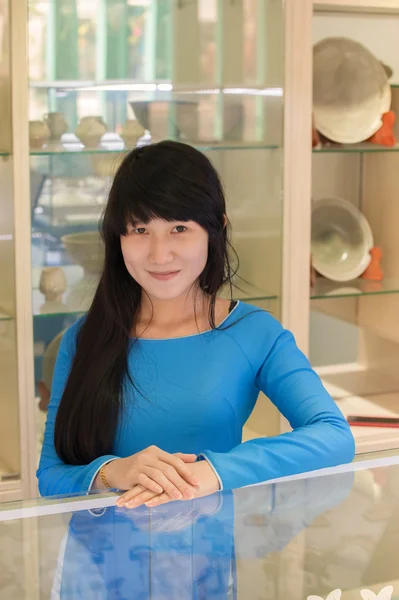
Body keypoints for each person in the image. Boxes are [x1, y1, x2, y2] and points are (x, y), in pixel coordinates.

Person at [37, 140, 355, 510]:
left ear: (214, 229)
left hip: (207, 555)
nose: (159, 254)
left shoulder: (255, 332)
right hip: (100, 559)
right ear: (117, 237)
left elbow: (333, 435)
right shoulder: (83, 337)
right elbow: (50, 475)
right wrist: (115, 471)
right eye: (139, 230)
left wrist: (211, 472)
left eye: (179, 228)